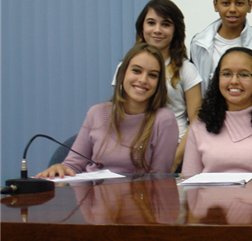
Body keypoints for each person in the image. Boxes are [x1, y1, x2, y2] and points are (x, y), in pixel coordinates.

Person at [37, 43, 179, 178]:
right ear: (122, 74)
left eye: (152, 75)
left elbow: (159, 179)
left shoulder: (164, 120)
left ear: (158, 84)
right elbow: (72, 166)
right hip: (93, 198)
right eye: (136, 71)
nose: (143, 79)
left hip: (138, 201)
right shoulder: (96, 113)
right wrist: (61, 168)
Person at [116, 0, 201, 172]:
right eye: (151, 23)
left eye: (165, 24)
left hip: (175, 152)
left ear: (175, 30)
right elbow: (118, 112)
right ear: (141, 27)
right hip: (133, 151)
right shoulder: (125, 67)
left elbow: (196, 122)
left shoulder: (187, 70)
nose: (157, 30)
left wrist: (176, 159)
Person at [183, 48, 252, 173]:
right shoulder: (199, 127)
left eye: (244, 75)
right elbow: (190, 185)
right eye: (226, 74)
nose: (234, 81)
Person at [190, 0, 252, 95]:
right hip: (212, 111)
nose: (232, 9)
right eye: (226, 3)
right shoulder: (199, 42)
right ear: (216, 5)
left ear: (250, 5)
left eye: (239, 3)